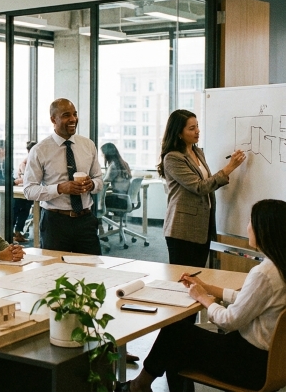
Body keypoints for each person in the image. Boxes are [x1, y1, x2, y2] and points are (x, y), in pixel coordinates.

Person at [121, 199, 286, 392]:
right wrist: (207, 287)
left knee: (175, 333)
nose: (247, 226)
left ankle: (138, 385)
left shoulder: (264, 273)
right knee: (178, 339)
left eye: (250, 221)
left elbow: (229, 321)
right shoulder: (279, 266)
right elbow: (250, 300)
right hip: (272, 361)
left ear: (264, 229)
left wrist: (203, 298)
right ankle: (141, 385)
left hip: (249, 366)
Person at [158, 109, 246, 268]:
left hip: (202, 225)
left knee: (198, 273)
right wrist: (230, 167)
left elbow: (208, 182)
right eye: (191, 128)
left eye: (197, 126)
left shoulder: (197, 152)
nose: (197, 131)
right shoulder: (172, 157)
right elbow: (199, 187)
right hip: (182, 228)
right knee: (183, 278)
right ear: (178, 132)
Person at [23, 98, 103, 255]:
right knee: (55, 273)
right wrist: (59, 188)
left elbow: (99, 179)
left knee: (93, 271)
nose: (73, 119)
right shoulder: (40, 150)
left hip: (85, 220)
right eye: (66, 115)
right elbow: (29, 190)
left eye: (75, 114)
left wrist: (92, 184)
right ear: (54, 119)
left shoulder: (88, 145)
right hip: (56, 222)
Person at [0, 139, 31, 243]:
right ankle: (8, 233)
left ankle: (18, 231)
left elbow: (8, 178)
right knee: (14, 203)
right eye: (6, 149)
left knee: (27, 201)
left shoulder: (3, 162)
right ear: (0, 150)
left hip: (3, 193)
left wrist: (16, 181)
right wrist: (15, 182)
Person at [100, 142, 132, 209]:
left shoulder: (113, 165)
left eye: (102, 153)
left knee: (94, 201)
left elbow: (105, 181)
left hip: (119, 201)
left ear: (107, 154)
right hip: (125, 199)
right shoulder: (123, 163)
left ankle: (98, 219)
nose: (102, 155)